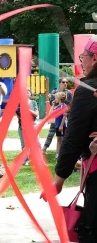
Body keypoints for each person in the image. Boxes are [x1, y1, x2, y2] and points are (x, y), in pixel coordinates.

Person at [47, 37, 97, 242]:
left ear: (94, 59)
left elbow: (74, 136)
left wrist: (59, 179)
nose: (81, 62)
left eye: (83, 57)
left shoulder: (87, 90)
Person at [43, 78, 74, 155]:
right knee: (51, 133)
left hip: (65, 116)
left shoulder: (69, 93)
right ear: (60, 83)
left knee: (64, 136)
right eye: (63, 82)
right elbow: (51, 103)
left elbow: (70, 105)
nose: (65, 84)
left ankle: (63, 152)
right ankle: (44, 149)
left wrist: (64, 108)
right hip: (56, 115)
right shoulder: (55, 92)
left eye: (66, 82)